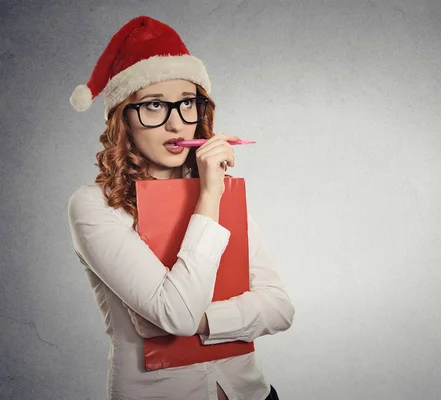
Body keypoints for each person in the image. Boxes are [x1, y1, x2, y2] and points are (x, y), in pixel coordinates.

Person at [66, 16, 294, 400]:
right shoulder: (93, 206)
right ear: (124, 119)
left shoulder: (220, 188)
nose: (176, 124)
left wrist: (205, 322)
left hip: (251, 392)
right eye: (155, 105)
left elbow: (279, 308)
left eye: (187, 103)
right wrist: (208, 198)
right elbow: (177, 315)